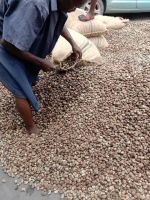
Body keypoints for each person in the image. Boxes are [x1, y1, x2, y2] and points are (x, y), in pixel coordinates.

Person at [0, 0, 88, 134]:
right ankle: (30, 128)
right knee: (19, 84)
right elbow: (8, 43)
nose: (74, 10)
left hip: (16, 27)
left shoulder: (56, 4)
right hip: (4, 37)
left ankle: (28, 80)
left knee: (28, 62)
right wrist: (41, 62)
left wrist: (73, 43)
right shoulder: (34, 5)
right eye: (75, 5)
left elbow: (57, 20)